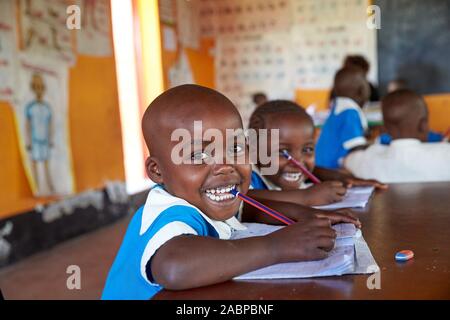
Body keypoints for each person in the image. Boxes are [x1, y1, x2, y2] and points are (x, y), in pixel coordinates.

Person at [102, 84, 349, 300]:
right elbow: (174, 267)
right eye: (197, 155)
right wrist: (276, 246)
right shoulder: (171, 213)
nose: (224, 165)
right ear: (157, 172)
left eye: (234, 148)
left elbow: (249, 205)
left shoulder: (205, 199)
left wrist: (307, 216)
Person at [245, 100, 386, 207]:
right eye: (283, 152)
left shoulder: (279, 172)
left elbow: (311, 170)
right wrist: (305, 196)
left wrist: (339, 176)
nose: (298, 162)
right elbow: (244, 199)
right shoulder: (247, 174)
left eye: (307, 150)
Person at [344, 89, 450, 183]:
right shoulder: (445, 154)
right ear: (423, 125)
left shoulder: (368, 157)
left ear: (383, 128)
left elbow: (348, 160)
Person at [315, 67, 370, 169]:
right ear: (361, 90)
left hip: (322, 168)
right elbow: (357, 148)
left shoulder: (339, 107)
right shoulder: (350, 112)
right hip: (333, 170)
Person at [25, 73, 55, 195]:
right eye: (36, 87)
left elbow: (50, 125)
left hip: (45, 141)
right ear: (33, 88)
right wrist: (28, 142)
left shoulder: (47, 107)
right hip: (35, 141)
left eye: (41, 87)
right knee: (35, 164)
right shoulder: (30, 107)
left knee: (46, 164)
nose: (39, 90)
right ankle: (36, 190)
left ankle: (50, 187)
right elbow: (27, 126)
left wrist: (51, 140)